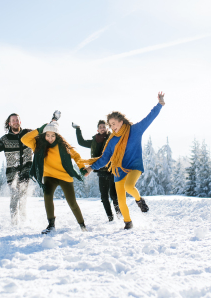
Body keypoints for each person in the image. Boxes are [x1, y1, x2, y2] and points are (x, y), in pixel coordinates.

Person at [83, 92, 165, 230]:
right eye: (110, 125)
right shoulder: (112, 140)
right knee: (120, 200)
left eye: (114, 123)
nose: (112, 127)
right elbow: (105, 158)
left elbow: (149, 118)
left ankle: (139, 200)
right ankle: (128, 223)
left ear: (121, 121)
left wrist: (160, 104)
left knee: (129, 186)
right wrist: (91, 168)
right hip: (119, 169)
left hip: (134, 166)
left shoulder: (135, 130)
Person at [20, 112, 89, 234]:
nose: (50, 138)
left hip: (64, 176)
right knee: (47, 195)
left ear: (57, 136)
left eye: (53, 136)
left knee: (72, 202)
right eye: (47, 135)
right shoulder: (38, 145)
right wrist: (40, 129)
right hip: (49, 176)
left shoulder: (63, 145)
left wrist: (82, 168)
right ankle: (51, 225)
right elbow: (24, 139)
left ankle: (82, 225)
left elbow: (76, 156)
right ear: (44, 135)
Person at [0, 113, 33, 224]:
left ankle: (24, 221)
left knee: (23, 196)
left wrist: (53, 121)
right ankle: (14, 222)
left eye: (17, 120)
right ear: (9, 123)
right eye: (13, 120)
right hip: (12, 172)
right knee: (14, 195)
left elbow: (44, 134)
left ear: (20, 122)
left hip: (26, 170)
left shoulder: (28, 134)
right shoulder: (5, 139)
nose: (15, 122)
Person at [73, 120, 120, 221]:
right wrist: (78, 129)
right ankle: (110, 217)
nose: (102, 128)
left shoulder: (111, 139)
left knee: (114, 195)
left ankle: (120, 215)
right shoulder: (94, 141)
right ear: (97, 129)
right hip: (101, 172)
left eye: (104, 127)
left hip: (112, 170)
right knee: (104, 197)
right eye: (100, 127)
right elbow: (81, 142)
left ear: (107, 129)